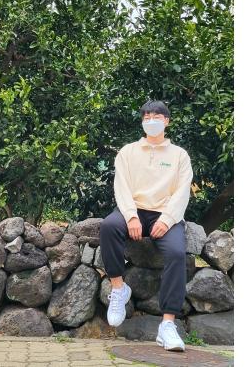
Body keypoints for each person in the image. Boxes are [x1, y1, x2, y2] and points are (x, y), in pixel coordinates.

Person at [99, 100, 193, 352]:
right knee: (108, 227)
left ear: (167, 121)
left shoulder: (180, 155)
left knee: (176, 253)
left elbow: (182, 191)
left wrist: (167, 219)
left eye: (157, 117)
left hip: (165, 214)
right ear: (142, 122)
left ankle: (167, 325)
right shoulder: (128, 152)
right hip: (134, 209)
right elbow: (121, 186)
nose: (152, 121)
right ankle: (119, 288)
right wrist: (131, 216)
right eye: (147, 117)